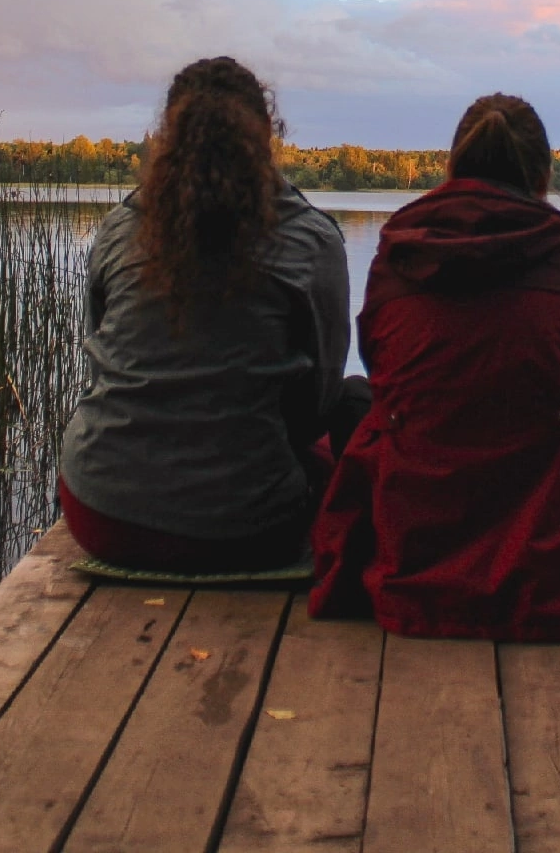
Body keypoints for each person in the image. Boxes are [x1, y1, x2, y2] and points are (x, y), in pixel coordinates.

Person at [309, 93, 560, 640]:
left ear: (452, 168)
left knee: (355, 397)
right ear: (543, 177)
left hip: (423, 536)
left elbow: (383, 378)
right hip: (555, 545)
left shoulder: (398, 260)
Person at [59, 56, 360, 572]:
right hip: (248, 527)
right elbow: (319, 401)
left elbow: (99, 365)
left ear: (166, 136)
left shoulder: (119, 230)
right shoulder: (311, 239)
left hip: (104, 517)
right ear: (267, 133)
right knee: (355, 403)